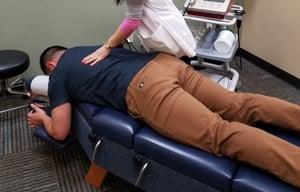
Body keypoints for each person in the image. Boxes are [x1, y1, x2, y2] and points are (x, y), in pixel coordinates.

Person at [28, 45, 300, 188]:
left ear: (51, 65)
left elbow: (60, 131)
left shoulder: (59, 73)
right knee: (240, 104)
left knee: (221, 134)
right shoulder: (89, 48)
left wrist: (42, 117)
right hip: (165, 63)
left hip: (147, 88)